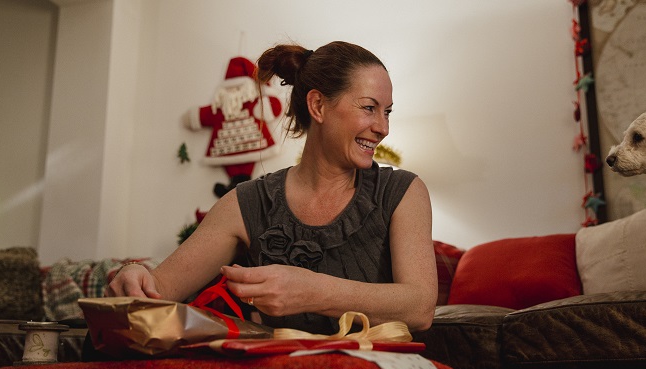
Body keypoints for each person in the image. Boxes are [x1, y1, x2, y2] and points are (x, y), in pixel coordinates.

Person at [106, 41, 437, 334]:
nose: (383, 128)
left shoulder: (404, 192)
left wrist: (314, 291)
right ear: (318, 106)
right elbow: (158, 289)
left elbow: (420, 307)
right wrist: (135, 276)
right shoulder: (246, 203)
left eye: (387, 112)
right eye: (369, 108)